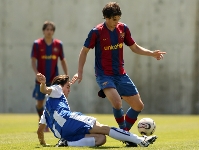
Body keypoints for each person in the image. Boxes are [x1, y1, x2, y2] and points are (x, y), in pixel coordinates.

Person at [74, 2, 166, 146]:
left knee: (138, 106)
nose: (117, 22)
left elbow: (134, 47)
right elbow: (84, 51)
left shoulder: (123, 29)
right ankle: (126, 134)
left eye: (118, 18)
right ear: (106, 18)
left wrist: (152, 53)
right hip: (104, 75)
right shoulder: (96, 32)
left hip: (121, 74)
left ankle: (124, 135)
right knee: (117, 102)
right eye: (114, 19)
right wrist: (79, 72)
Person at [36, 73, 157, 147]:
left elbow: (40, 132)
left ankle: (66, 143)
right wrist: (43, 83)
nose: (69, 90)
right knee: (104, 128)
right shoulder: (57, 89)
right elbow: (45, 90)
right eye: (68, 87)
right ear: (59, 85)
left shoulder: (47, 109)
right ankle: (140, 140)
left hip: (63, 134)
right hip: (68, 121)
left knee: (100, 139)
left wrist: (43, 144)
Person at [31, 21, 68, 131]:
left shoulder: (58, 44)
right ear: (43, 31)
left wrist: (66, 76)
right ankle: (41, 119)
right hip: (41, 79)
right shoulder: (37, 44)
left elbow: (63, 60)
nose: (49, 31)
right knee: (39, 103)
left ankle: (49, 124)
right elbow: (33, 61)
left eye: (51, 29)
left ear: (53, 32)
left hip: (53, 80)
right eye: (47, 29)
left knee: (54, 102)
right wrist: (36, 73)